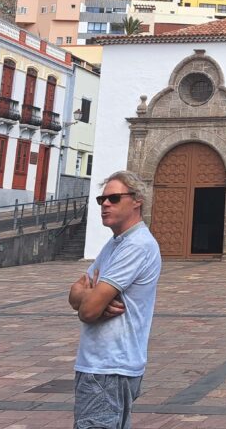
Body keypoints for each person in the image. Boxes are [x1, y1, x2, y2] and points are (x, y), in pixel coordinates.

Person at [69, 171, 161, 429]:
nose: (105, 204)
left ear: (137, 200)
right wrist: (88, 296)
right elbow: (75, 293)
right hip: (104, 365)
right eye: (102, 199)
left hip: (109, 367)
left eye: (114, 198)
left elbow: (87, 311)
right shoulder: (115, 244)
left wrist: (88, 302)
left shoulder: (136, 245)